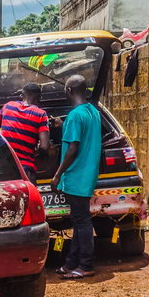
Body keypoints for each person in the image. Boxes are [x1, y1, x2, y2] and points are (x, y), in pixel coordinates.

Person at [51, 76, 102, 280]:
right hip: (88, 174)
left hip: (76, 175)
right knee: (79, 219)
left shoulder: (75, 115)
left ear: (70, 90)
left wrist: (57, 174)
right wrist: (63, 125)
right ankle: (71, 263)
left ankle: (86, 265)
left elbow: (73, 147)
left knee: (82, 222)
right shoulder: (93, 112)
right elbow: (84, 134)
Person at [0, 82, 50, 183]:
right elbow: (44, 147)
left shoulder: (8, 106)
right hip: (25, 171)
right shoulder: (41, 114)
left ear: (21, 95)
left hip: (4, 168)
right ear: (39, 98)